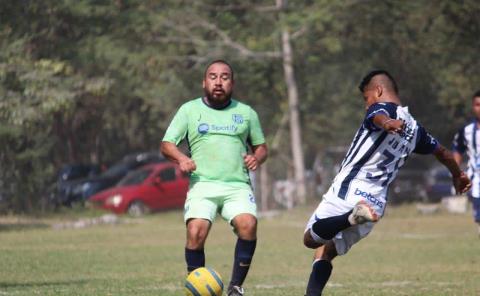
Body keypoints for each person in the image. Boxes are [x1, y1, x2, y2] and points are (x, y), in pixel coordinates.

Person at [302, 70, 472, 296]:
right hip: (375, 203)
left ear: (378, 91)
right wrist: (457, 174)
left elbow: (376, 116)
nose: (366, 105)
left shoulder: (383, 110)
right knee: (326, 251)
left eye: (366, 98)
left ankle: (349, 217)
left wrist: (388, 122)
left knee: (310, 240)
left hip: (350, 188)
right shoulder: (415, 129)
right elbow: (443, 153)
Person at [160, 60, 268, 296]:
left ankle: (236, 288)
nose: (218, 82)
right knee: (195, 232)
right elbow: (166, 144)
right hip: (203, 184)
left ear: (232, 82)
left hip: (236, 185)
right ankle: (196, 285)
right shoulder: (189, 110)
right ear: (204, 81)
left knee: (248, 224)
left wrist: (256, 158)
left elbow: (261, 147)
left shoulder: (246, 113)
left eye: (225, 77)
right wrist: (181, 159)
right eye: (213, 76)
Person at [452, 90, 480, 236]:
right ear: (473, 107)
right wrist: (456, 173)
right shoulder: (466, 131)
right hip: (476, 182)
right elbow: (457, 150)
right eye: (477, 105)